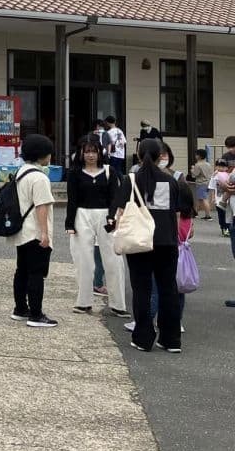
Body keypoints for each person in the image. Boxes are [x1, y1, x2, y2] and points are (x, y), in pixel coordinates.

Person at [112, 138, 188, 353]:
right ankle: (171, 339)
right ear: (160, 156)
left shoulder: (132, 179)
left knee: (142, 289)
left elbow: (119, 210)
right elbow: (177, 213)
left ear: (138, 155)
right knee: (168, 289)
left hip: (140, 241)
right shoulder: (171, 181)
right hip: (167, 241)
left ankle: (143, 337)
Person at [65, 135, 128, 317]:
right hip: (81, 215)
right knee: (83, 260)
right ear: (82, 154)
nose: (91, 155)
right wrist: (70, 223)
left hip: (105, 215)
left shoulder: (110, 171)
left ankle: (118, 304)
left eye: (94, 151)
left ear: (100, 152)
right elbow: (72, 200)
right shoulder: (75, 173)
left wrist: (112, 217)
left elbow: (114, 197)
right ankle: (83, 302)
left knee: (113, 259)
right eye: (87, 152)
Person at [9, 134, 58, 329]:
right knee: (37, 273)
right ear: (43, 155)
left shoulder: (21, 172)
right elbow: (41, 207)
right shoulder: (39, 178)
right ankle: (36, 314)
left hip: (22, 231)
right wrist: (44, 234)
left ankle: (20, 308)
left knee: (22, 270)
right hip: (35, 231)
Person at [188, 149, 214, 221]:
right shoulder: (208, 164)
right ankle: (196, 213)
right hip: (208, 183)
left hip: (201, 183)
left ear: (199, 156)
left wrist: (192, 169)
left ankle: (208, 216)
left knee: (204, 199)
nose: (195, 156)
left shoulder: (197, 165)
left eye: (196, 154)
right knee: (200, 199)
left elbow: (194, 175)